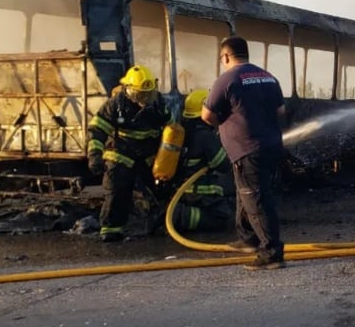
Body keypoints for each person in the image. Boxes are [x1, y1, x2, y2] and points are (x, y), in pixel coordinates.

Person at [202, 36, 287, 270]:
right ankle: (248, 239)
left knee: (257, 201)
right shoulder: (268, 77)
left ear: (226, 56)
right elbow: (281, 110)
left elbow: (206, 115)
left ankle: (272, 254)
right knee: (246, 194)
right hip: (271, 146)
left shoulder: (226, 79)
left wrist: (223, 124)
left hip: (247, 148)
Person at [87, 65, 170, 242]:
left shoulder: (158, 105)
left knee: (162, 189)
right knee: (117, 191)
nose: (145, 99)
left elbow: (170, 129)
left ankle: (162, 223)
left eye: (148, 94)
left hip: (148, 157)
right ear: (129, 90)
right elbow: (97, 130)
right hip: (121, 155)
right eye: (141, 94)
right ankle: (111, 230)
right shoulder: (116, 105)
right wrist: (94, 155)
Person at [170, 89, 236, 233]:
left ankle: (178, 213)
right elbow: (223, 165)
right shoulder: (205, 136)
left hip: (182, 190)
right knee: (221, 218)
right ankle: (179, 216)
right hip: (199, 191)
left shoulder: (185, 130)